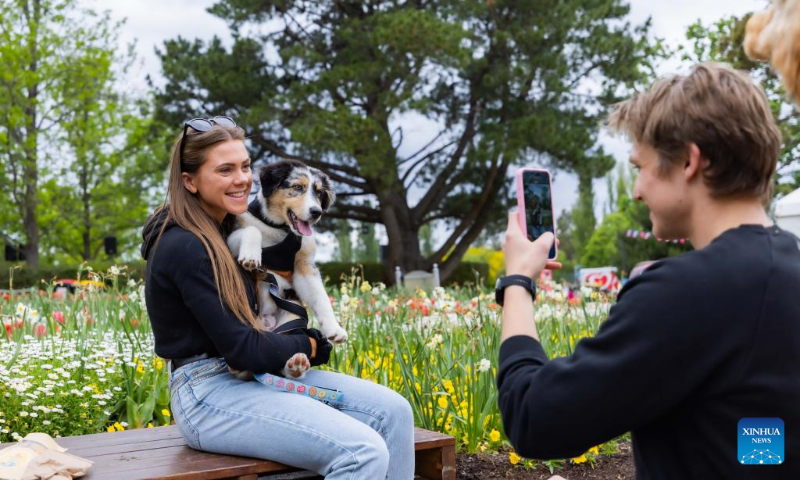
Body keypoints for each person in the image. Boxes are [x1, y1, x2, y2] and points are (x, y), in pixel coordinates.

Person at [495, 63, 800, 479]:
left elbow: (533, 417)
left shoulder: (685, 293)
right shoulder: (786, 266)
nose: (636, 190)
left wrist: (517, 281)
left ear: (690, 161)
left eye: (639, 167)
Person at [140, 116, 414, 479]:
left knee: (394, 411)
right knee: (362, 452)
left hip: (254, 374)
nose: (241, 179)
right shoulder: (185, 245)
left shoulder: (230, 227)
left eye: (245, 166)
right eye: (225, 170)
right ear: (189, 181)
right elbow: (244, 349)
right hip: (206, 393)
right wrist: (313, 344)